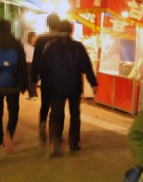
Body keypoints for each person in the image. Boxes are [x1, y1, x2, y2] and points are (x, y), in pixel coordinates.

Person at [42, 20, 97, 157]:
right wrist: (93, 82)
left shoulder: (50, 47)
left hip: (56, 86)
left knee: (56, 113)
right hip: (74, 86)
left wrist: (46, 83)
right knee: (74, 114)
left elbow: (44, 68)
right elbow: (87, 66)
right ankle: (73, 143)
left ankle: (56, 140)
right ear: (71, 31)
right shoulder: (78, 47)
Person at [0, 19, 28, 153]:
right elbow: (22, 66)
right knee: (13, 111)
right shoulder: (16, 44)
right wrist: (24, 85)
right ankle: (9, 132)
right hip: (13, 83)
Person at [31, 13, 61, 143]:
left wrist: (33, 78)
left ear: (48, 24)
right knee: (57, 105)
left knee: (45, 104)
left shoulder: (41, 39)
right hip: (61, 78)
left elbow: (36, 60)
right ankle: (55, 132)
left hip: (46, 77)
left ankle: (43, 123)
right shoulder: (63, 39)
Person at [23, 31, 38, 100]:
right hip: (28, 64)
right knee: (29, 80)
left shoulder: (37, 47)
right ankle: (32, 94)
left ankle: (34, 94)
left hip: (35, 64)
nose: (35, 38)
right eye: (34, 37)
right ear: (30, 38)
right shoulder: (25, 46)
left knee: (35, 79)